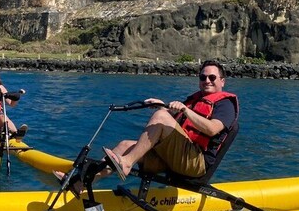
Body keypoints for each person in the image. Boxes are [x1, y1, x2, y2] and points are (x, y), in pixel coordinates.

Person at [102, 60, 237, 181]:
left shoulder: (225, 105)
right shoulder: (195, 100)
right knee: (124, 145)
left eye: (212, 77)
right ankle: (82, 183)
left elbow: (212, 129)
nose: (207, 80)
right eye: (203, 77)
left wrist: (184, 110)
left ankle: (126, 163)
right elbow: (177, 121)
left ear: (222, 81)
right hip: (175, 157)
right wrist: (162, 106)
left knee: (160, 116)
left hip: (195, 162)